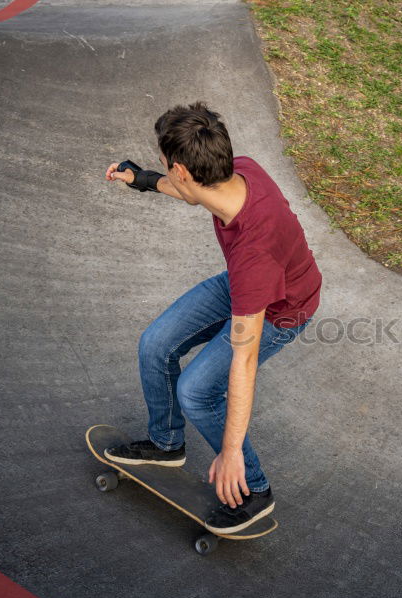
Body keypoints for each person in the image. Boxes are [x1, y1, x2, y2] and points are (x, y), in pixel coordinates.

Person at [102, 101, 322, 535]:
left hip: (281, 309)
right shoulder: (237, 170)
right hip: (246, 284)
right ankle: (166, 443)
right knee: (155, 344)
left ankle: (255, 490)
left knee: (197, 390)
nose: (166, 173)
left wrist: (231, 449)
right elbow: (190, 191)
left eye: (167, 168)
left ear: (182, 169)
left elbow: (243, 358)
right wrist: (143, 179)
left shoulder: (254, 254)